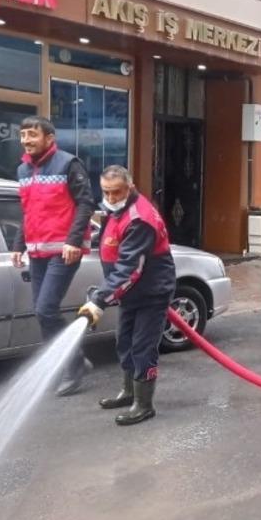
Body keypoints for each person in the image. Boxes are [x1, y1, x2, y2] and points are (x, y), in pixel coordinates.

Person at [78, 166, 176, 426]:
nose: (110, 198)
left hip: (150, 292)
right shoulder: (116, 210)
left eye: (116, 192)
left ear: (130, 188)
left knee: (142, 346)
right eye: (106, 192)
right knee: (124, 342)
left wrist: (100, 299)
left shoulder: (139, 219)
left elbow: (130, 268)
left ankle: (144, 405)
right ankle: (129, 392)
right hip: (130, 293)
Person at [12, 116, 96, 396]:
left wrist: (74, 241)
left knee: (46, 309)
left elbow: (86, 203)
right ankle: (72, 363)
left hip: (63, 250)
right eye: (23, 135)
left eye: (32, 134)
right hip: (37, 251)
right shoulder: (23, 170)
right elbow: (28, 212)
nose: (26, 140)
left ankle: (73, 366)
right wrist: (18, 245)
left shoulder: (68, 164)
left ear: (49, 138)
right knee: (42, 313)